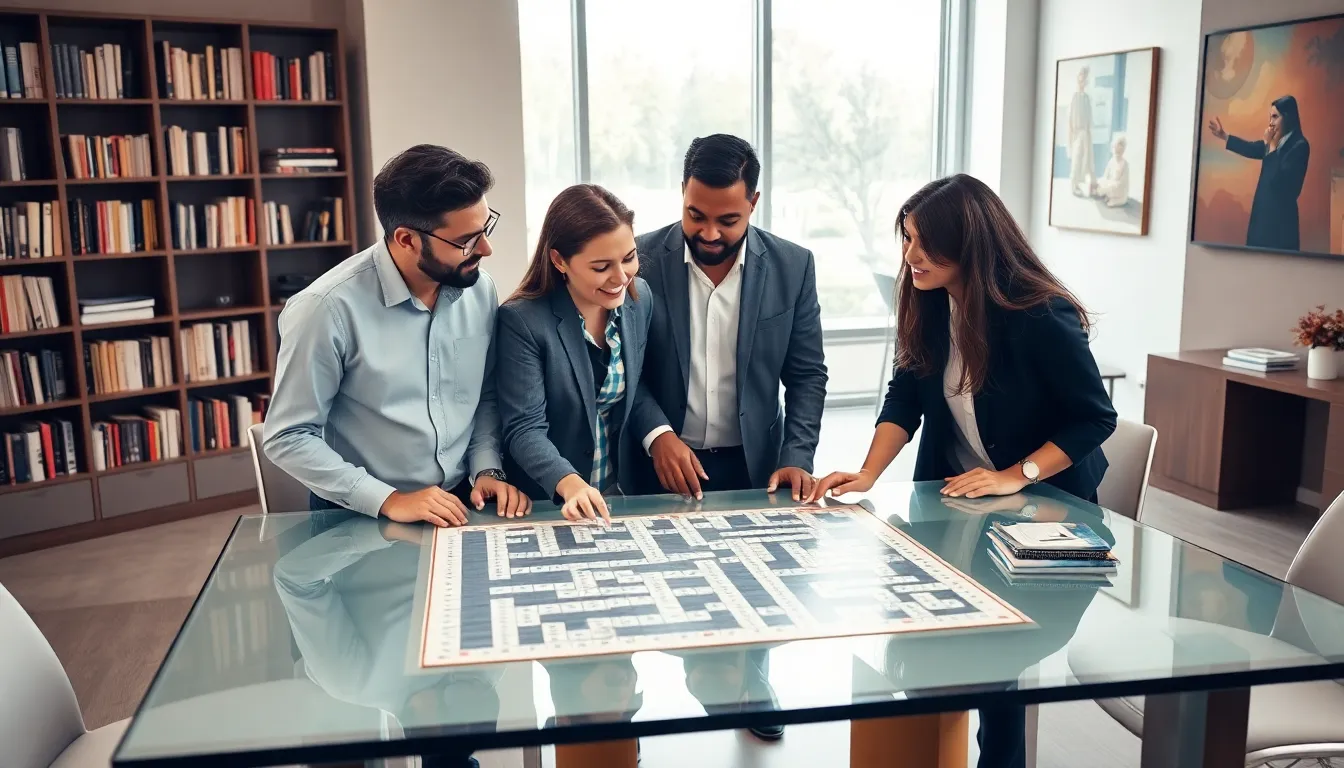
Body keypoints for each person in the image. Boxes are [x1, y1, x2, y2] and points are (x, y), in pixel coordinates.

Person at [808, 173, 1117, 766]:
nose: (910, 256)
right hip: (958, 504)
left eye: (924, 243)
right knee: (930, 648)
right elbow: (904, 393)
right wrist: (868, 473)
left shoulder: (1040, 315)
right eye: (906, 238)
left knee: (995, 663)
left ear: (970, 244)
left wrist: (1015, 473)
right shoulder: (927, 301)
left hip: (1043, 513)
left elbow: (1093, 420)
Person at [265, 144, 532, 527]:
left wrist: (487, 468)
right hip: (359, 513)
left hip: (459, 503)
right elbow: (288, 436)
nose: (486, 249)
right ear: (406, 239)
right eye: (467, 241)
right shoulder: (325, 309)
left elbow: (483, 395)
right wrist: (389, 500)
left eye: (485, 228)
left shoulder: (479, 290)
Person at [635, 133, 828, 504]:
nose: (709, 233)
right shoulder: (640, 260)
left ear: (753, 203)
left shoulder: (794, 266)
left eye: (727, 220)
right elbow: (627, 369)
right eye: (696, 216)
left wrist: (797, 458)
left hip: (757, 470)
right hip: (659, 468)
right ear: (682, 192)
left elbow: (807, 376)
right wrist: (657, 434)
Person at [496, 184, 667, 521]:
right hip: (550, 504)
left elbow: (631, 388)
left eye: (629, 258)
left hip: (619, 497)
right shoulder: (522, 321)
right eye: (601, 267)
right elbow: (524, 428)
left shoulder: (638, 298)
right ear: (559, 260)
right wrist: (570, 483)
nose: (621, 277)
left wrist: (661, 434)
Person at [1207, 94, 1310, 251]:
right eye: (1270, 117)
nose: (1271, 123)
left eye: (1275, 117)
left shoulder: (1300, 145)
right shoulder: (1277, 140)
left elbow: (1282, 184)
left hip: (1280, 227)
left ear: (1288, 117)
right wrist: (1224, 136)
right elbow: (1251, 148)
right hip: (1261, 221)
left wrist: (1272, 145)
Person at [1067, 67, 1094, 196]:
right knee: (1076, 158)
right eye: (1081, 78)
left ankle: (1083, 183)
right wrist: (1072, 135)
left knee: (1085, 159)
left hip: (1085, 132)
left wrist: (1088, 132)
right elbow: (1071, 118)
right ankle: (1074, 184)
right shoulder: (1075, 97)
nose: (1083, 81)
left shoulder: (1086, 98)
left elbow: (1088, 116)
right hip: (1077, 132)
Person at [1092, 135, 1130, 207]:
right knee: (1100, 182)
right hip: (1110, 185)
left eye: (1121, 147)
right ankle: (1102, 193)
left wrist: (1109, 186)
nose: (1118, 149)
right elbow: (1105, 176)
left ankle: (1109, 197)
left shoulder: (1125, 164)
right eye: (1116, 147)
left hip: (1118, 189)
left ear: (1123, 150)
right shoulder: (1111, 161)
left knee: (1109, 188)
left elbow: (1123, 185)